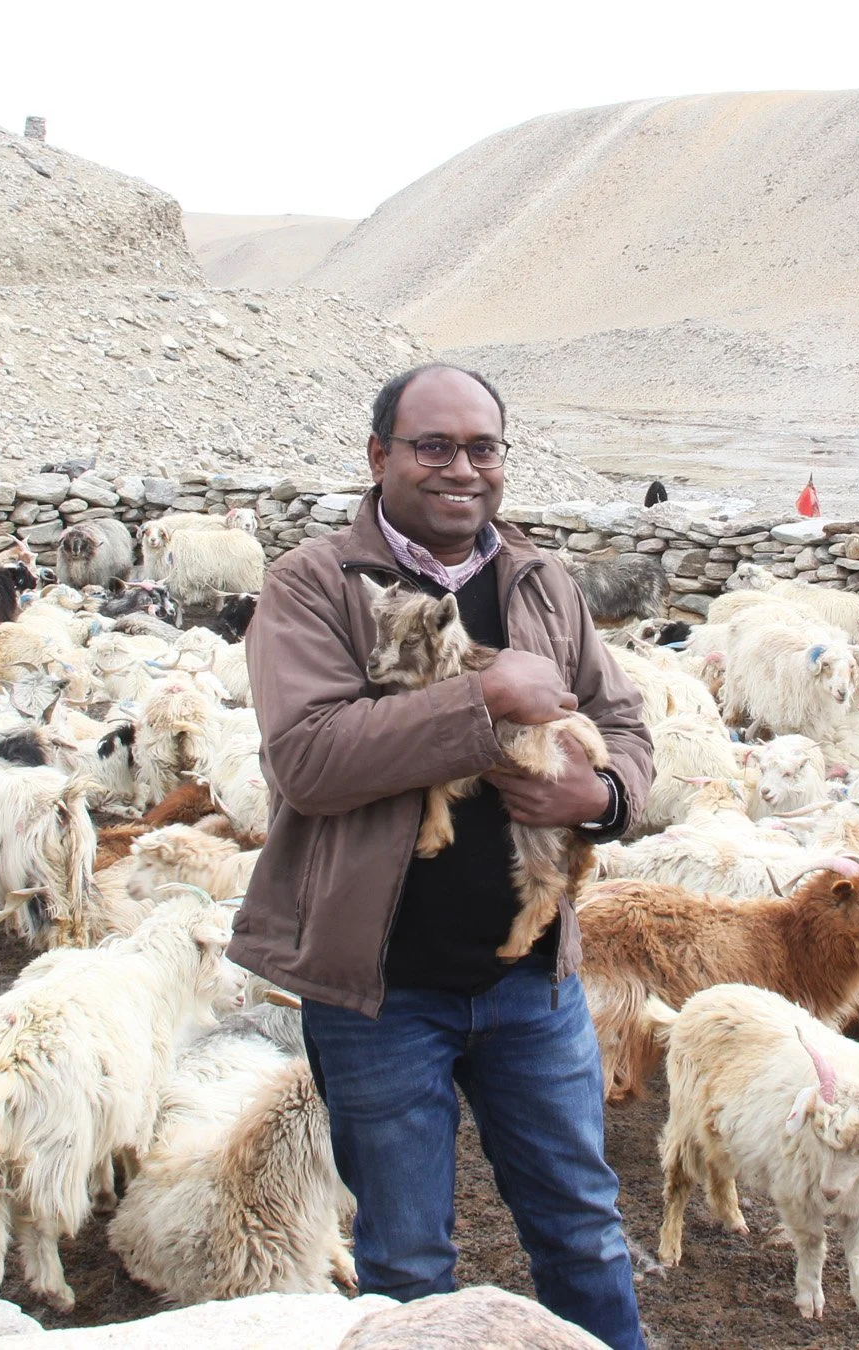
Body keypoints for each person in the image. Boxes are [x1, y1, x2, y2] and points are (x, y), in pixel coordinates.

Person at [228, 363, 653, 1350]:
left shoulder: (542, 582)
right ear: (380, 457)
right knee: (408, 1259)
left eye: (482, 447)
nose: (462, 468)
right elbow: (310, 762)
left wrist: (602, 796)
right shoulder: (313, 586)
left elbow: (623, 721)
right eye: (434, 447)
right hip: (377, 991)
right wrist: (487, 703)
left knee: (583, 1231)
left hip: (532, 981)